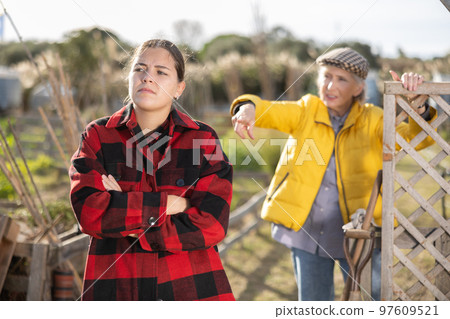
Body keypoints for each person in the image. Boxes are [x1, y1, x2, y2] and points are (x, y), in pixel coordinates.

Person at [230, 47, 436, 301]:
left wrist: (420, 106)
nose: (330, 85)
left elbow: (415, 139)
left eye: (341, 79)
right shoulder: (306, 109)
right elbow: (270, 109)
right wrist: (248, 108)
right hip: (308, 235)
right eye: (326, 76)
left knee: (372, 303)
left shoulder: (373, 119)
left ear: (358, 88)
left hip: (361, 233)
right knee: (314, 306)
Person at [70, 39, 234, 301]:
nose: (147, 77)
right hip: (117, 289)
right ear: (129, 77)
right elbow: (90, 213)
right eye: (140, 69)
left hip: (191, 290)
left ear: (179, 88)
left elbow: (212, 224)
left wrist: (123, 207)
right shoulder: (98, 136)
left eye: (161, 72)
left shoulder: (203, 139)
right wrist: (173, 204)